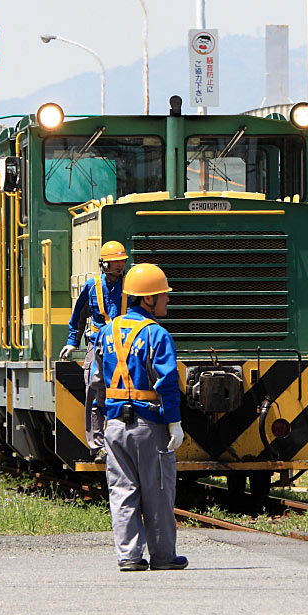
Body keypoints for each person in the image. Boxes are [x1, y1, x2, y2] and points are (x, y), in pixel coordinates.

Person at [90, 263, 187, 572]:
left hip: (115, 426)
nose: (167, 301)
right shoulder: (157, 335)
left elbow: (95, 382)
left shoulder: (107, 332)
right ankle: (163, 557)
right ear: (147, 300)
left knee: (122, 491)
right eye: (163, 296)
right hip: (150, 425)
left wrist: (101, 421)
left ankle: (129, 557)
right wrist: (175, 422)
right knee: (157, 491)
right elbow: (168, 382)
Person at [60, 241, 129, 457]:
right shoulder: (92, 286)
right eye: (114, 263)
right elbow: (78, 316)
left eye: (122, 262)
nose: (119, 266)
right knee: (95, 390)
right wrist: (73, 341)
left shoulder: (130, 285)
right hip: (98, 346)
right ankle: (98, 445)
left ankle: (121, 442)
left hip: (125, 348)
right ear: (104, 264)